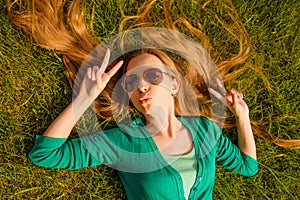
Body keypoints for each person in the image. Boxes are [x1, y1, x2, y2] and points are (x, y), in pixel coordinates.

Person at [7, 0, 299, 199]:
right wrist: (84, 98)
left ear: (173, 83)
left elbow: (248, 167)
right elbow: (45, 155)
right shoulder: (123, 141)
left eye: (153, 77)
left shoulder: (206, 131)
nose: (141, 86)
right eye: (131, 82)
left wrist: (242, 116)